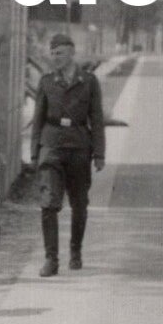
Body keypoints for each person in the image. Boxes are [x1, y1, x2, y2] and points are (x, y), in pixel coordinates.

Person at [30, 32, 106, 276]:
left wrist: (99, 153)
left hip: (78, 146)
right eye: (52, 54)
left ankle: (76, 251)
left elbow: (96, 118)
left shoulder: (89, 82)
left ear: (72, 52)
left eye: (60, 53)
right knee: (48, 203)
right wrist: (34, 154)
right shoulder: (46, 82)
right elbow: (38, 119)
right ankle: (51, 259)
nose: (55, 58)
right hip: (51, 146)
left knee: (79, 203)